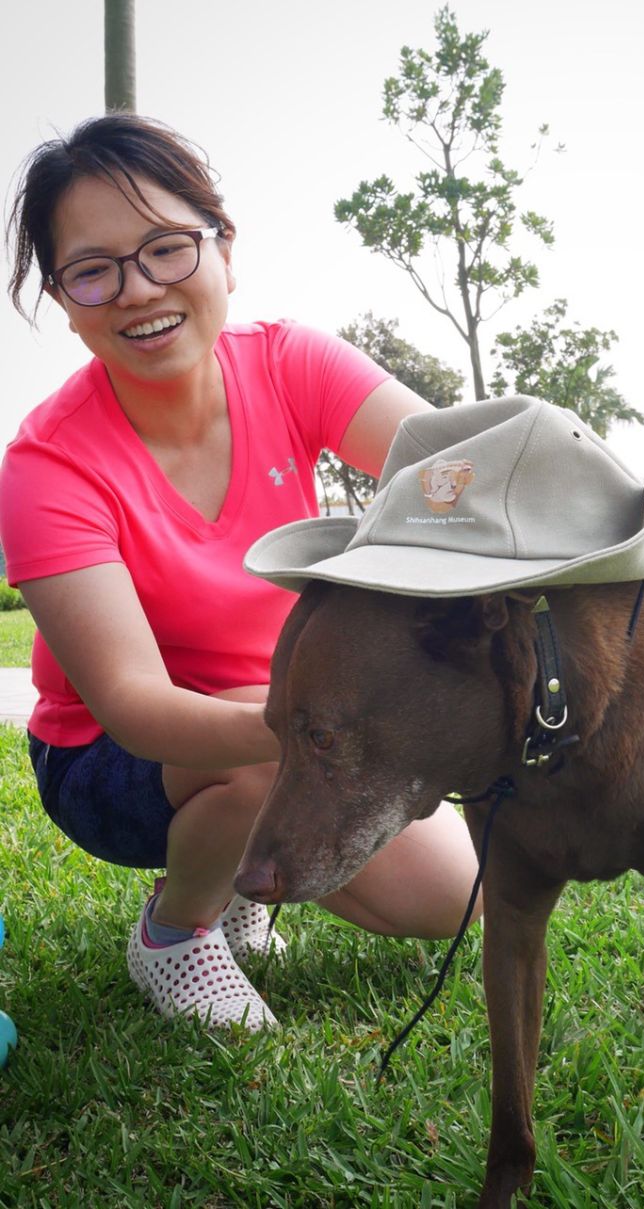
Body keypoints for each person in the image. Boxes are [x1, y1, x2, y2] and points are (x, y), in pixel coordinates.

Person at [1, 114, 481, 1031]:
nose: (139, 290)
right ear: (64, 300)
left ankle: (244, 876)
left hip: (278, 706)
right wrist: (326, 732)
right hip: (111, 760)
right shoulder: (46, 466)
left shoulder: (291, 361)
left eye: (167, 249)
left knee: (455, 899)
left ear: (224, 247)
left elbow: (454, 471)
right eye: (95, 269)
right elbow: (135, 707)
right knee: (259, 769)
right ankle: (178, 931)